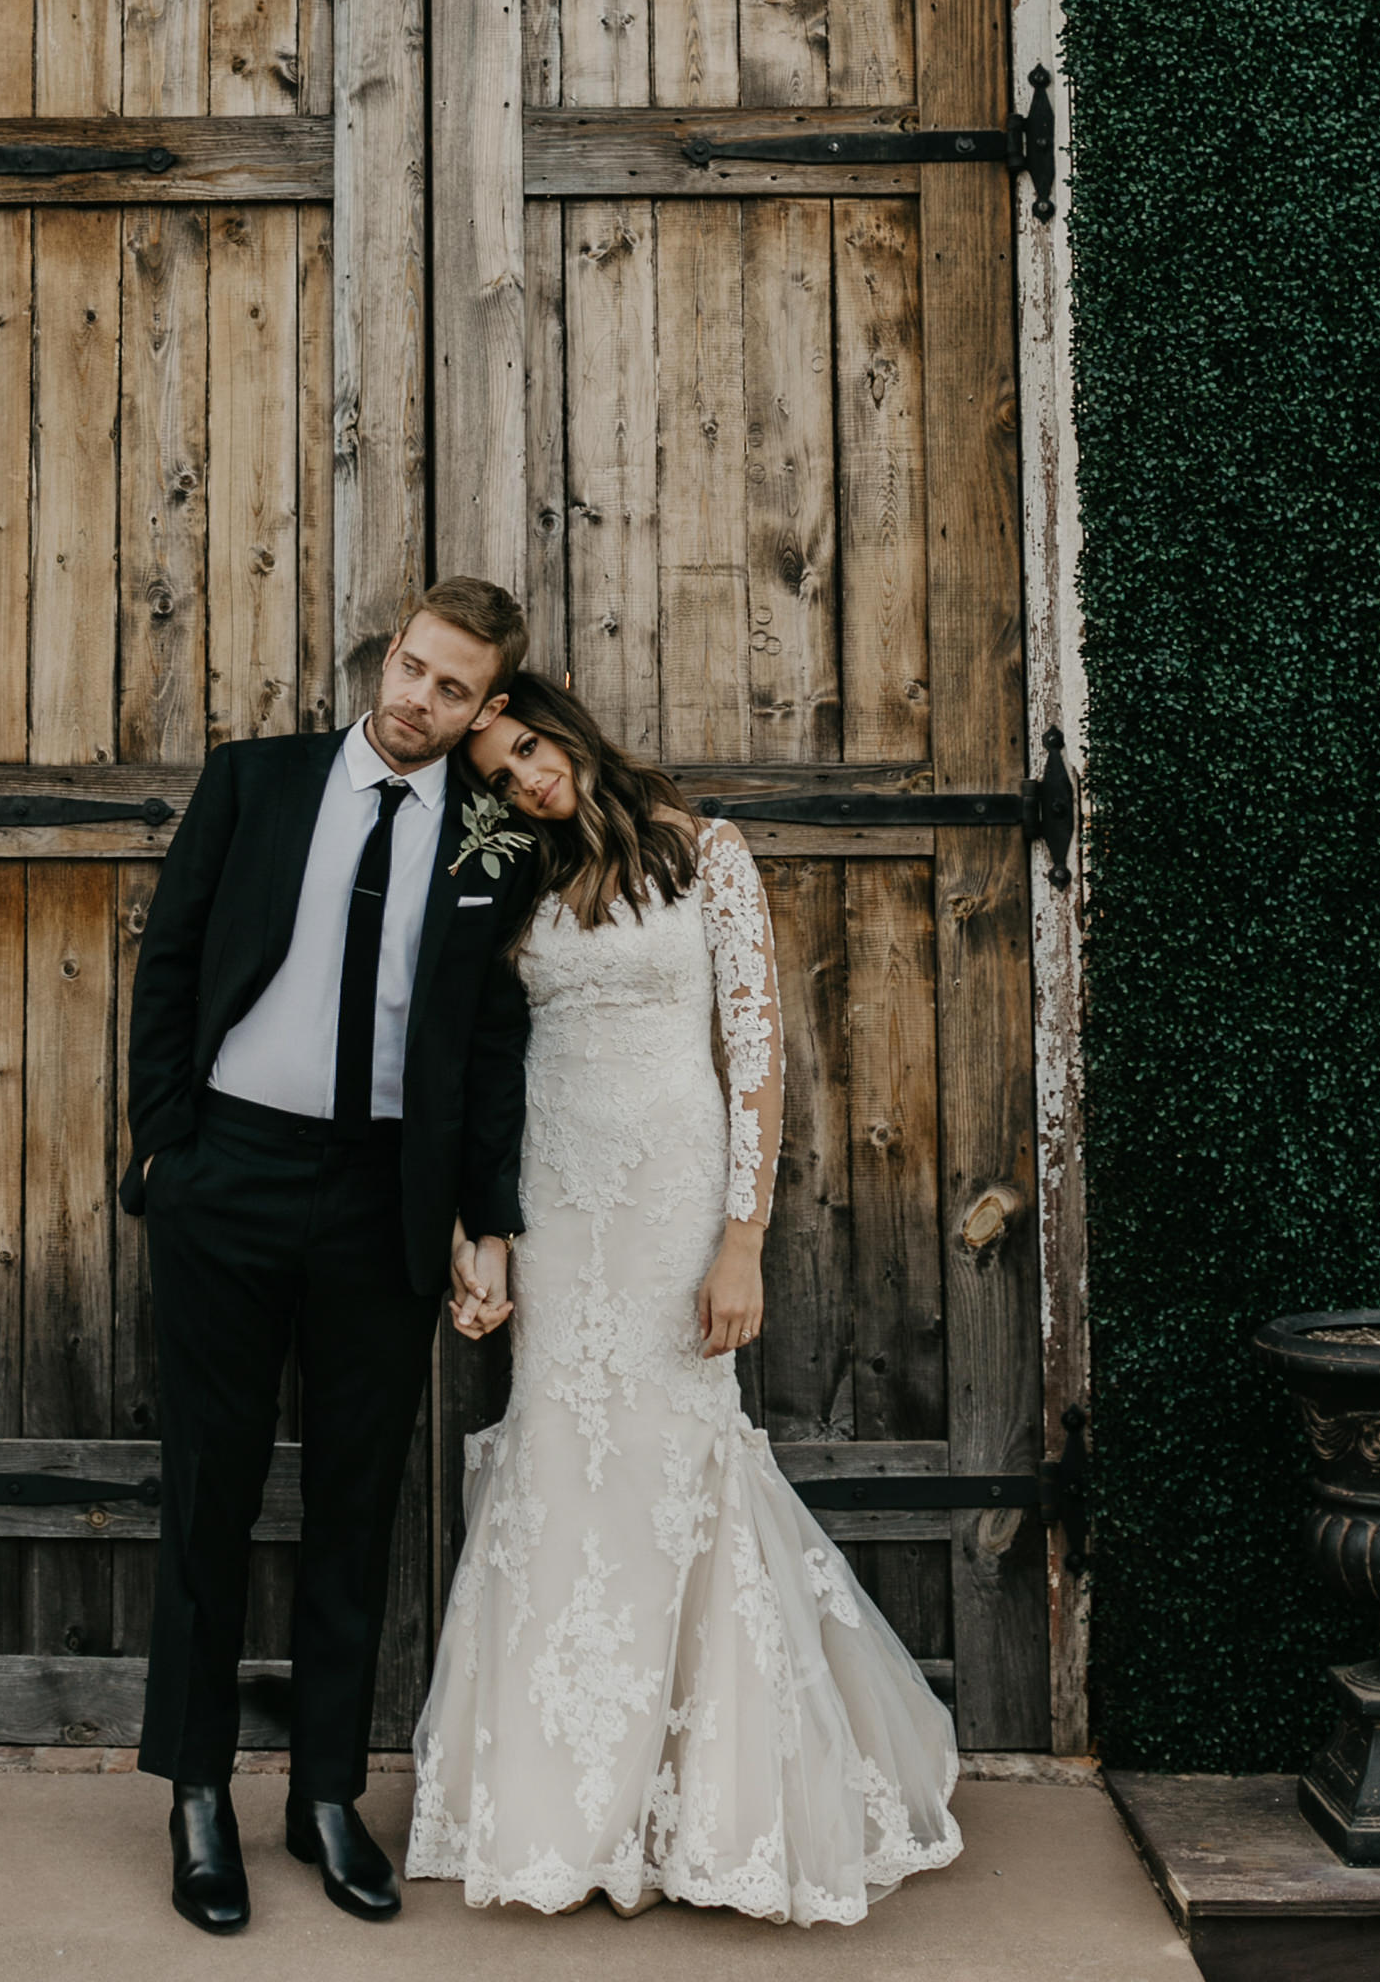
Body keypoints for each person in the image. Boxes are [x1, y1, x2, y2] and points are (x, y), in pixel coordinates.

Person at [407, 671, 963, 1923]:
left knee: (679, 1464)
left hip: (669, 1202)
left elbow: (755, 1057)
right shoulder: (513, 880)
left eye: (528, 750)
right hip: (556, 1203)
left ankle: (708, 1801)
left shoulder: (705, 852)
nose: (525, 780)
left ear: (564, 723)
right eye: (495, 777)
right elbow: (479, 1064)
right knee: (560, 1456)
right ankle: (565, 1803)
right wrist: (479, 1230)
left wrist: (740, 1240)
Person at [122, 578, 543, 1935]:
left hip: (384, 1202)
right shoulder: (255, 782)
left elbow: (487, 1051)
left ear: (486, 708)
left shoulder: (491, 842)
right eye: (411, 670)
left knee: (357, 1507)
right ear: (390, 654)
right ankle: (197, 1793)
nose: (417, 702)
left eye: (450, 690)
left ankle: (322, 1797)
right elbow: (170, 965)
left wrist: (486, 1220)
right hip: (229, 1176)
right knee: (211, 1490)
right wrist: (167, 1152)